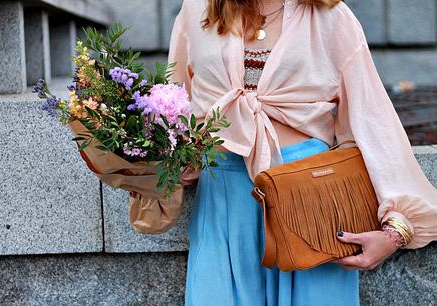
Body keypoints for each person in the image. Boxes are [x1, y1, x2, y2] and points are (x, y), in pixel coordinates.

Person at [167, 0, 437, 305]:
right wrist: (151, 167)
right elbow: (174, 109)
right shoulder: (197, 10)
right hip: (223, 205)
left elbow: (373, 119)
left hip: (312, 208)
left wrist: (395, 231)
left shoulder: (330, 16)